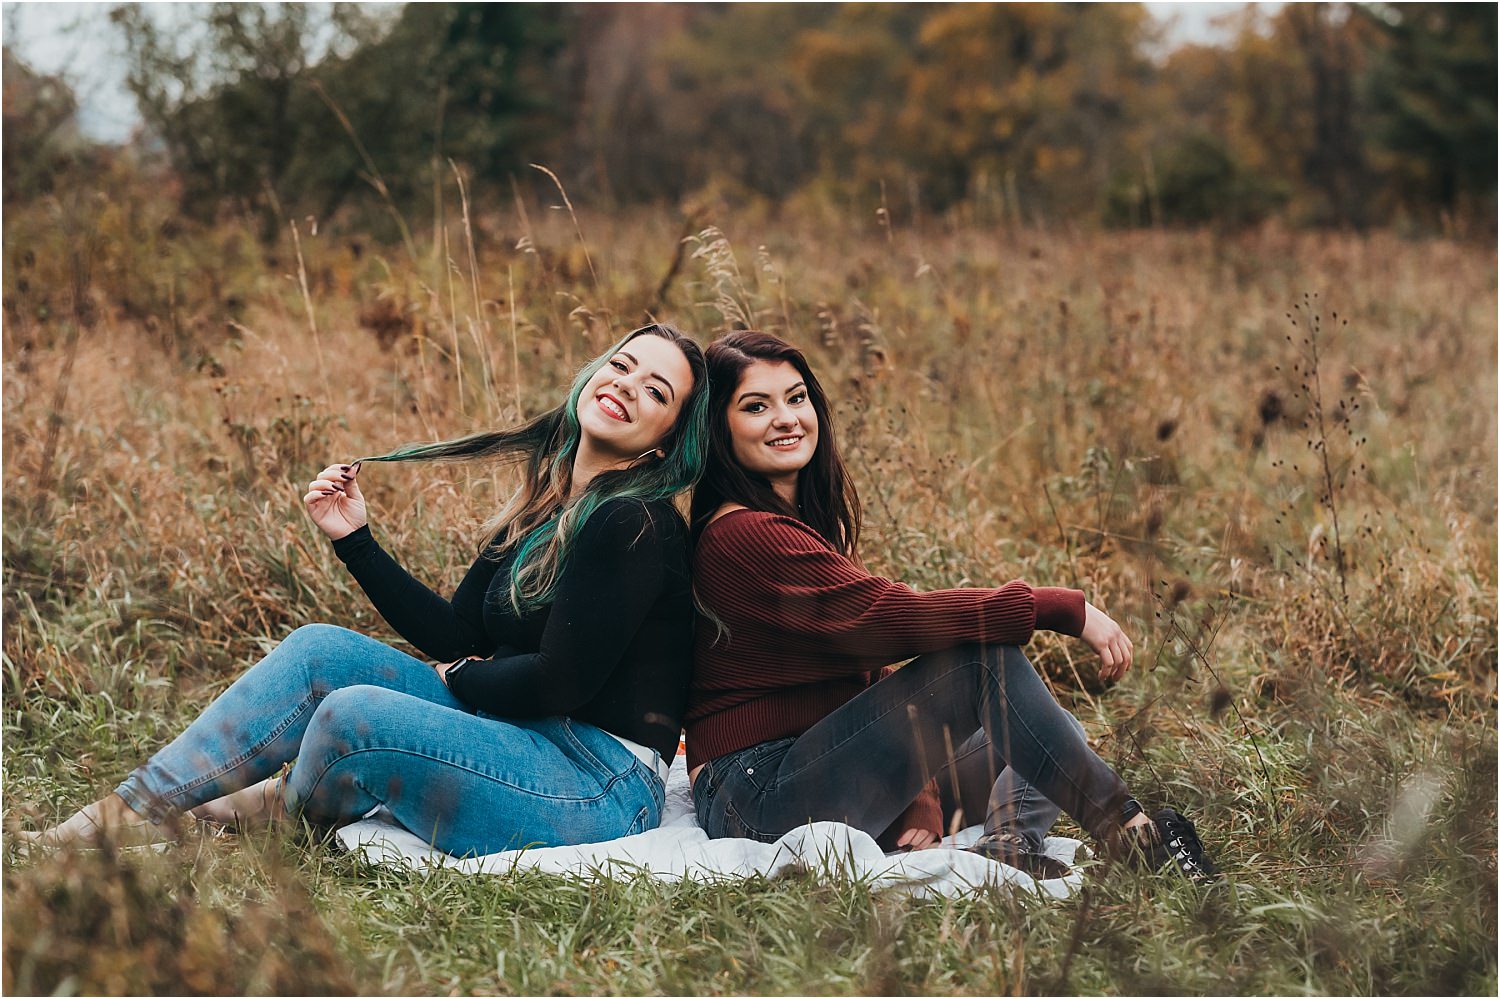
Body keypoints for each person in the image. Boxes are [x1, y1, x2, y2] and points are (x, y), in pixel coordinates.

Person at [22, 324, 712, 857]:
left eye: (656, 391)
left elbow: (558, 683)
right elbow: (458, 634)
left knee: (355, 715)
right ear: (593, 374)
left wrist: (461, 677)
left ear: (662, 444)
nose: (626, 384)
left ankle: (257, 814)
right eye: (622, 364)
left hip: (596, 781)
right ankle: (122, 811)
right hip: (526, 731)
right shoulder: (551, 499)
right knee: (320, 650)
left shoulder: (633, 521)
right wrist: (355, 539)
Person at [684, 330, 1218, 883]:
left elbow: (862, 669)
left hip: (818, 758)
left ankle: (1009, 842)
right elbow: (887, 618)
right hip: (756, 795)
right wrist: (1052, 607)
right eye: (756, 406)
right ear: (720, 429)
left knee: (1046, 729)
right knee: (982, 666)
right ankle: (1133, 836)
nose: (787, 418)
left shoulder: (797, 522)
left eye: (796, 398)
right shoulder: (744, 534)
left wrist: (918, 789)